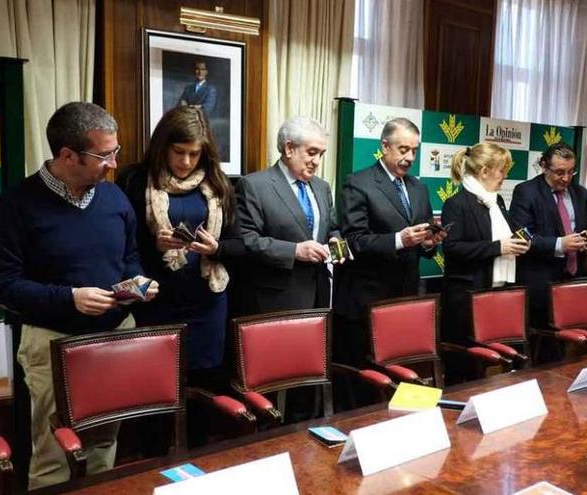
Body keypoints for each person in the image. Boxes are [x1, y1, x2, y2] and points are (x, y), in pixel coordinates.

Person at [0, 102, 158, 489]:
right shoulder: (14, 206)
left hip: (115, 334)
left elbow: (127, 258)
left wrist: (137, 284)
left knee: (105, 441)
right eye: (104, 154)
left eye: (116, 151)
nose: (114, 163)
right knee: (53, 450)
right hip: (52, 340)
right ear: (67, 155)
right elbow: (3, 285)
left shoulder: (113, 199)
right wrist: (69, 297)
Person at [117, 106, 238, 446]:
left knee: (203, 385)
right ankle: (154, 459)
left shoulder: (217, 182)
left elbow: (239, 243)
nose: (186, 162)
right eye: (179, 152)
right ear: (162, 147)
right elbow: (122, 245)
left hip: (206, 299)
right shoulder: (134, 180)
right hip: (156, 299)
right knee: (153, 385)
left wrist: (215, 248)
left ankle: (197, 457)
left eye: (194, 154)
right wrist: (153, 242)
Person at [333, 118, 446, 367]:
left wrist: (429, 242)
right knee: (366, 378)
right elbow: (354, 241)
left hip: (405, 297)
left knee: (403, 370)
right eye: (403, 149)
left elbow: (424, 247)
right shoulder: (358, 183)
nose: (410, 157)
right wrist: (399, 240)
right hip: (367, 300)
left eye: (414, 150)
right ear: (385, 146)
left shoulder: (419, 188)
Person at [234, 116, 339, 315]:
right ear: (289, 148)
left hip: (319, 294)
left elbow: (332, 227)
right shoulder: (254, 186)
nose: (316, 161)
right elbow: (247, 241)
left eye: (321, 154)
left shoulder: (322, 187)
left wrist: (336, 244)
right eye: (312, 152)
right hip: (276, 298)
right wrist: (295, 251)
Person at [510, 142, 587, 345]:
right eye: (559, 172)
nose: (566, 178)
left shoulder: (581, 193)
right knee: (543, 347)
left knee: (573, 344)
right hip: (541, 282)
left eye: (571, 172)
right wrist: (560, 244)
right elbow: (522, 236)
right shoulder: (526, 192)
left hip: (575, 280)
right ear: (543, 165)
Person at [441, 143, 530, 347]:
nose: (504, 176)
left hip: (496, 293)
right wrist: (499, 247)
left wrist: (518, 243)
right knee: (467, 368)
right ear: (484, 171)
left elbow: (504, 236)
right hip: (466, 299)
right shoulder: (456, 204)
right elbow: (452, 248)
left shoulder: (497, 201)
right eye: (502, 170)